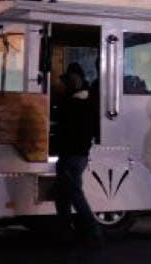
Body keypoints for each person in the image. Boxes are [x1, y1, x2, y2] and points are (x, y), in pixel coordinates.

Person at [53, 71, 101, 246]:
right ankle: (68, 232)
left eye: (62, 84)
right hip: (80, 154)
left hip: (70, 155)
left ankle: (92, 230)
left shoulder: (71, 105)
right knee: (64, 194)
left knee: (72, 194)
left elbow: (63, 130)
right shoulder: (88, 103)